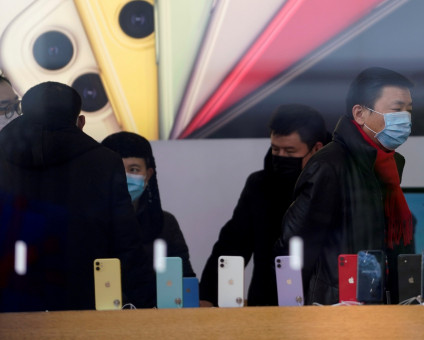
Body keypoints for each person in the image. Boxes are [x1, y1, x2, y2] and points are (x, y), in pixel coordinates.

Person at [0, 81, 154, 311]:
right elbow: (126, 241)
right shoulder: (104, 162)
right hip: (84, 305)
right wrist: (144, 304)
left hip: (11, 304)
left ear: (23, 116)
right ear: (80, 122)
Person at [277, 67, 416, 305]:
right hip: (335, 309)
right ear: (360, 113)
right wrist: (295, 312)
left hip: (381, 305)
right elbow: (293, 245)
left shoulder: (391, 164)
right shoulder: (329, 164)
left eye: (408, 110)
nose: (405, 118)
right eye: (396, 109)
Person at [198, 104, 328, 306]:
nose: (281, 157)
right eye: (276, 149)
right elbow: (233, 243)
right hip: (266, 304)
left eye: (290, 151)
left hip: (323, 306)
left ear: (316, 149)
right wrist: (207, 296)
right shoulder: (258, 185)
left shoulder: (334, 185)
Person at [101, 131, 196, 278]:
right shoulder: (88, 223)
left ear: (148, 175)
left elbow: (184, 279)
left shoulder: (165, 223)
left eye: (134, 169)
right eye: (117, 169)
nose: (125, 177)